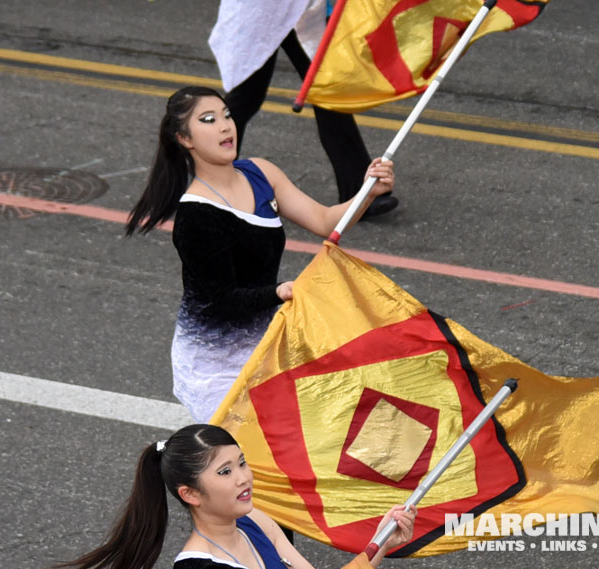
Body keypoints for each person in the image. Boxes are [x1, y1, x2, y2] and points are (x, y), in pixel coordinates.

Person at [125, 86, 394, 423]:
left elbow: (326, 221)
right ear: (185, 139)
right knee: (241, 462)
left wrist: (368, 191)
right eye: (208, 120)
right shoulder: (196, 215)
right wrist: (277, 292)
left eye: (226, 115)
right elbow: (222, 299)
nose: (225, 126)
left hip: (265, 344)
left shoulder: (261, 173)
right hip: (215, 361)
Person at [56, 424, 417, 569]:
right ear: (191, 494)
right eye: (225, 472)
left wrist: (381, 540)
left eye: (242, 463)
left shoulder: (254, 520)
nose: (244, 478)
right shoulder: (197, 567)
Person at [209, 1, 399, 217]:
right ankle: (213, 183)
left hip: (304, 11)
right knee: (244, 101)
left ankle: (357, 191)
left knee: (327, 93)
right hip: (262, 12)